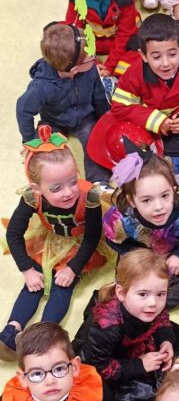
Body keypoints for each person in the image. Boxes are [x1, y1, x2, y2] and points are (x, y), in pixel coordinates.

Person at [0, 128, 107, 361]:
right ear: (37, 188)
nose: (68, 192)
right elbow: (15, 235)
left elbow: (91, 237)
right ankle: (12, 328)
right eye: (56, 188)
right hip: (50, 237)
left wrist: (73, 268)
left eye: (72, 181)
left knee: (62, 284)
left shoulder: (89, 198)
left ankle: (45, 333)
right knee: (34, 282)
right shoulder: (32, 197)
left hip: (79, 242)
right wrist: (27, 269)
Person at [73, 248, 179, 401]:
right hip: (112, 358)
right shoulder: (107, 326)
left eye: (161, 294)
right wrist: (140, 365)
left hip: (140, 335)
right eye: (143, 294)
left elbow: (162, 318)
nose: (153, 303)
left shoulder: (150, 308)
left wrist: (165, 341)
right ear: (121, 293)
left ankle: (169, 373)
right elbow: (100, 368)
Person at [86, 14, 179, 175]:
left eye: (172, 54)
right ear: (144, 56)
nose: (166, 63)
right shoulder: (133, 74)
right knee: (120, 144)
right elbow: (119, 108)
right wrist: (156, 120)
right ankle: (171, 164)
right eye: (156, 57)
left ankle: (156, 162)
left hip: (169, 132)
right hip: (140, 127)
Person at [102, 148, 179, 307]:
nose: (159, 207)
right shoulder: (121, 219)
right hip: (141, 259)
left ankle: (156, 304)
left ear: (173, 190)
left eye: (165, 196)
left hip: (175, 258)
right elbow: (113, 241)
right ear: (131, 201)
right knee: (125, 288)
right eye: (146, 200)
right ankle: (147, 302)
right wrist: (142, 257)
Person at [16, 22, 110, 182]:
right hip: (54, 120)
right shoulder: (42, 86)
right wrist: (30, 140)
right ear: (74, 69)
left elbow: (99, 96)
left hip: (85, 119)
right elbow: (23, 110)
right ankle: (52, 181)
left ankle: (98, 182)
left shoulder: (90, 70)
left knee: (96, 140)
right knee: (46, 152)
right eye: (90, 57)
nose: (94, 58)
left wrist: (105, 120)